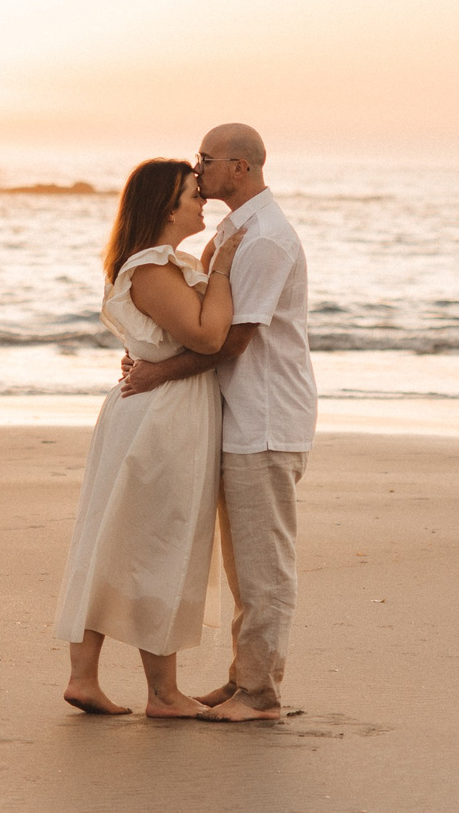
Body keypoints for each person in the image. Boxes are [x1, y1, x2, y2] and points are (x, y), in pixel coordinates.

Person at [119, 122, 314, 723]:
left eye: (205, 159)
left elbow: (231, 341)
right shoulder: (236, 231)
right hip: (240, 417)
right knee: (242, 563)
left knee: (263, 564)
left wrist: (158, 373)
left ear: (239, 167)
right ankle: (242, 681)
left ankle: (261, 695)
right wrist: (151, 353)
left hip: (265, 417)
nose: (196, 168)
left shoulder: (264, 240)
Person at [54, 158, 242, 717]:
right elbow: (208, 337)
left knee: (121, 540)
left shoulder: (166, 264)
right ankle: (159, 692)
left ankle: (88, 678)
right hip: (161, 419)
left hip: (158, 411)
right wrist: (225, 270)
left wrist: (208, 265)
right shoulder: (154, 268)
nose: (202, 201)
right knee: (156, 543)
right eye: (192, 193)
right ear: (165, 207)